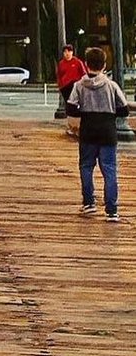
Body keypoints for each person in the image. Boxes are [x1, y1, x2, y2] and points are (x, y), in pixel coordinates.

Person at [66, 46, 128, 222]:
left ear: (86, 65)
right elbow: (123, 110)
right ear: (104, 65)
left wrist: (84, 113)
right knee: (109, 169)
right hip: (107, 131)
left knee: (86, 166)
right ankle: (111, 210)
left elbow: (71, 107)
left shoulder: (79, 85)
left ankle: (89, 203)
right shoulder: (111, 85)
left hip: (88, 130)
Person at [56, 44, 86, 110]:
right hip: (65, 87)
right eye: (65, 52)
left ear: (72, 52)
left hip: (75, 85)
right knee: (68, 104)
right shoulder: (61, 64)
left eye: (69, 51)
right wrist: (60, 85)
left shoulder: (78, 62)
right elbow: (59, 75)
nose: (67, 53)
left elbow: (83, 74)